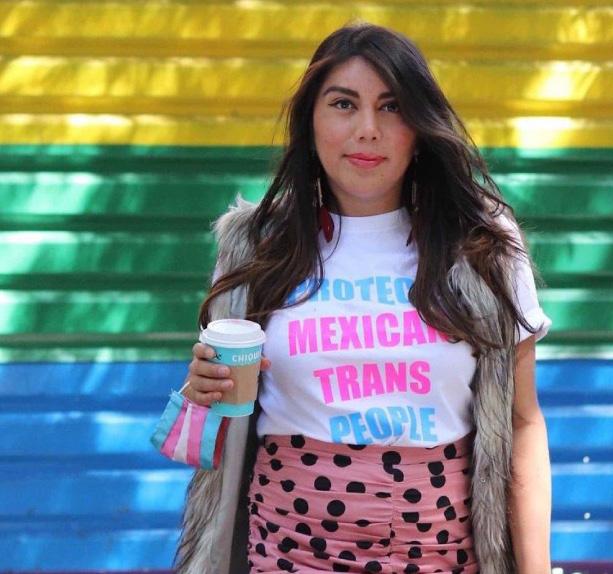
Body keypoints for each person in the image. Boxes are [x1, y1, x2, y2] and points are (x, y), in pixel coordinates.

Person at [176, 22, 552, 574]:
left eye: (392, 107)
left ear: (420, 125)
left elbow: (522, 424)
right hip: (287, 556)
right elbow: (221, 434)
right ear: (311, 121)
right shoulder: (256, 247)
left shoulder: (481, 247)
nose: (367, 130)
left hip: (442, 558)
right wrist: (201, 393)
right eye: (344, 105)